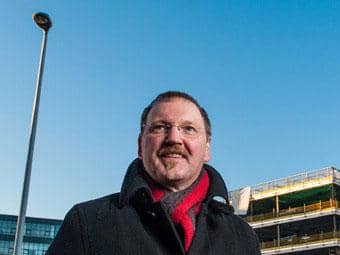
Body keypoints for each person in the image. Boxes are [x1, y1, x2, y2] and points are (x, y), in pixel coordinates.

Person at [46, 91, 260, 255]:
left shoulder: (243, 237)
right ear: (140, 145)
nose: (174, 138)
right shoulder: (87, 223)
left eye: (188, 129)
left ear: (207, 149)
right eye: (160, 127)